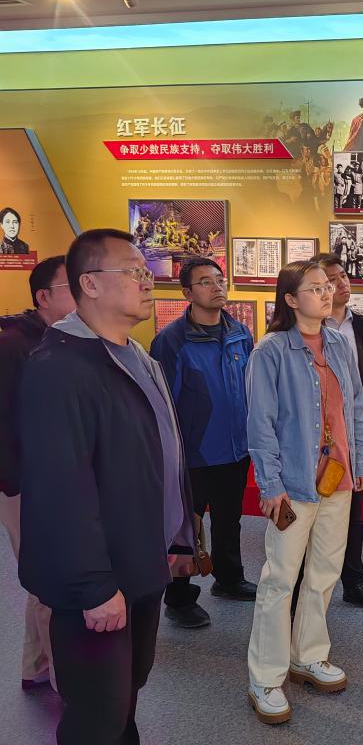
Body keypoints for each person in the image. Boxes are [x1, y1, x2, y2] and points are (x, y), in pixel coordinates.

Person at [18, 228, 195, 744]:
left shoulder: (134, 356)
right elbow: (60, 492)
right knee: (98, 711)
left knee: (126, 696)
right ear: (90, 284)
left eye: (147, 271)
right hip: (96, 581)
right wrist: (92, 587)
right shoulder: (60, 368)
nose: (149, 281)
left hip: (139, 561)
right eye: (134, 271)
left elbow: (159, 454)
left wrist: (177, 536)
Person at [245, 260, 363, 725]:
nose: (327, 292)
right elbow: (260, 425)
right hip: (293, 483)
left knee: (324, 573)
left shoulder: (338, 342)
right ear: (290, 299)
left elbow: (355, 405)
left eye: (328, 286)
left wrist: (359, 458)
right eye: (315, 288)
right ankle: (265, 677)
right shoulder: (271, 351)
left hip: (338, 479)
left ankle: (308, 655)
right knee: (279, 580)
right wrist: (270, 485)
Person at [151, 257, 257, 630]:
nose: (216, 287)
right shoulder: (171, 341)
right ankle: (179, 599)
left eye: (219, 279)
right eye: (205, 282)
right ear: (188, 293)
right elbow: (162, 403)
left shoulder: (240, 332)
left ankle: (228, 578)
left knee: (229, 518)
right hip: (192, 452)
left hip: (236, 448)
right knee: (184, 527)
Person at [0, 256, 76, 692]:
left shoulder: (66, 338)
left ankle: (35, 665)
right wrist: (17, 482)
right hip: (25, 484)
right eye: (71, 285)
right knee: (51, 577)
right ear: (43, 296)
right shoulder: (14, 346)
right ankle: (68, 681)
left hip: (54, 479)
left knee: (42, 578)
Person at [313, 253, 363, 610]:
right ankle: (311, 583)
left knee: (354, 511)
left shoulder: (362, 326)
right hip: (317, 433)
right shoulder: (306, 327)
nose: (341, 284)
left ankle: (353, 581)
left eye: (343, 276)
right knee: (314, 512)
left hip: (353, 432)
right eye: (331, 280)